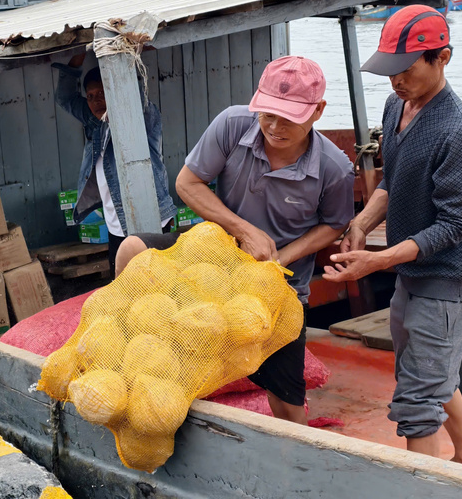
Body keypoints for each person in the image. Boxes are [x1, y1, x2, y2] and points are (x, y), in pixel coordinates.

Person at [115, 55, 354, 424]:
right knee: (131, 249)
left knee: (289, 404)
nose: (275, 127)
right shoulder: (231, 124)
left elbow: (334, 225)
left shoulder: (335, 168)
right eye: (268, 113)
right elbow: (186, 183)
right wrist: (243, 230)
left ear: (318, 111)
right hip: (211, 256)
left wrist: (283, 257)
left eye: (289, 117)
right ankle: (128, 355)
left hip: (276, 287)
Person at [323, 5, 462, 467]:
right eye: (388, 70)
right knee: (432, 376)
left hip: (447, 283)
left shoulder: (457, 131)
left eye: (406, 69)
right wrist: (360, 224)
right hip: (409, 276)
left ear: (443, 58)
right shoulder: (397, 105)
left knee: (417, 402)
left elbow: (458, 224)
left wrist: (378, 261)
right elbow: (393, 181)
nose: (395, 80)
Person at [52, 51, 176, 275]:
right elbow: (65, 98)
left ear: (114, 91)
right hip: (116, 223)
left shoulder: (143, 117)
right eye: (90, 96)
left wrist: (125, 53)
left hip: (149, 218)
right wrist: (79, 54)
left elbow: (135, 97)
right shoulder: (95, 120)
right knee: (122, 290)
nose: (96, 100)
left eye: (101, 92)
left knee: (156, 284)